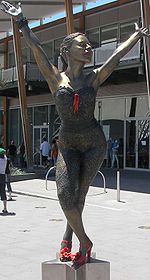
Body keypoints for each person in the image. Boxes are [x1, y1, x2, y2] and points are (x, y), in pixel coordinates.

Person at [1, 1, 149, 268]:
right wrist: (22, 21)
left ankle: (68, 240)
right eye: (83, 44)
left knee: (78, 194)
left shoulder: (93, 78)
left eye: (89, 44)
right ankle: (84, 240)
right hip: (68, 142)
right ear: (67, 50)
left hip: (94, 143)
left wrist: (134, 36)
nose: (89, 48)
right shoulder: (55, 78)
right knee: (64, 193)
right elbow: (35, 47)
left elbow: (115, 56)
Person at [0, 148, 8, 214]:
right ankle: (5, 208)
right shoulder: (5, 160)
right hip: (3, 176)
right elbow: (5, 155)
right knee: (3, 191)